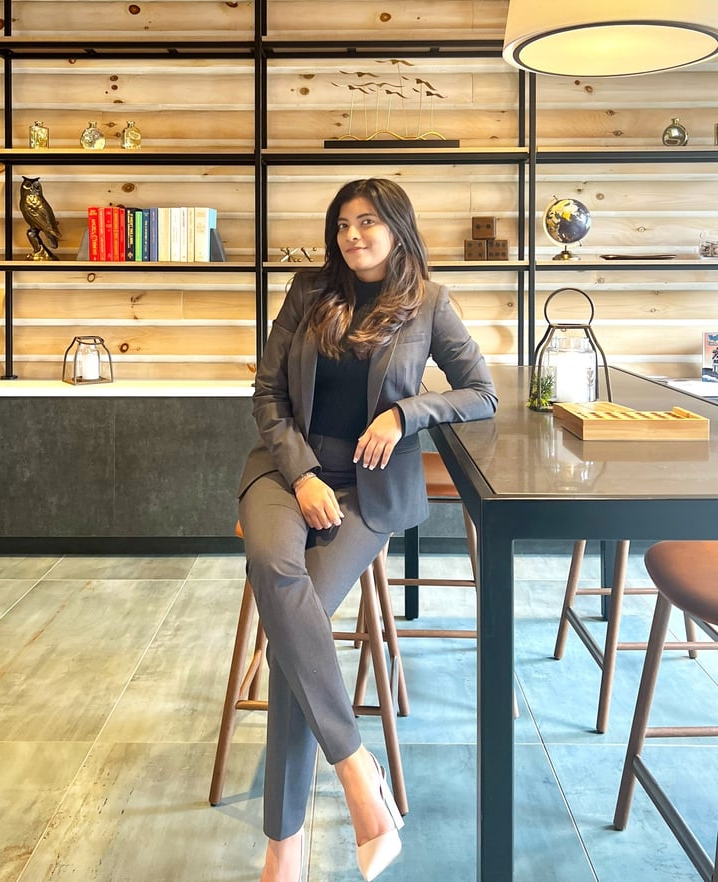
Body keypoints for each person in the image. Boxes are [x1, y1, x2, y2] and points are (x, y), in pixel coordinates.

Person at [237, 178, 497, 882]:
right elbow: (267, 394)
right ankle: (357, 768)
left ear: (397, 229)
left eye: (368, 222)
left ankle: (283, 847)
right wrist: (301, 474)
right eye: (343, 223)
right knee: (277, 571)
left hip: (368, 488)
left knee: (294, 638)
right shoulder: (308, 291)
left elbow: (482, 393)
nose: (352, 235)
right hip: (286, 472)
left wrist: (406, 413)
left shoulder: (429, 302)